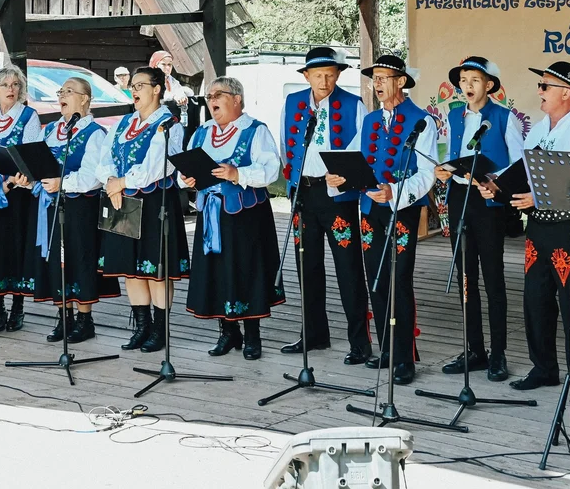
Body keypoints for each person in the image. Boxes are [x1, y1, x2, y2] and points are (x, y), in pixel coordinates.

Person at [327, 55, 436, 386]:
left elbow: (427, 172)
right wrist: (340, 177)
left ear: (401, 81)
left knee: (399, 280)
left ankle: (405, 356)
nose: (377, 83)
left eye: (383, 77)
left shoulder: (422, 121)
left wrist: (396, 194)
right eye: (374, 78)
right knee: (375, 276)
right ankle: (387, 349)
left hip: (401, 210)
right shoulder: (371, 119)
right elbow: (352, 158)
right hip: (369, 209)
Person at [509, 61, 570, 403]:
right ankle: (544, 367)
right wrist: (498, 184)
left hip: (569, 224)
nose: (540, 91)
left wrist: (540, 194)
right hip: (538, 224)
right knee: (535, 298)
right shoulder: (537, 129)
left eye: (546, 86)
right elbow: (525, 169)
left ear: (567, 92)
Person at [278, 47, 371, 365]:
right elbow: (284, 147)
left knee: (348, 269)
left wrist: (344, 178)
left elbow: (362, 152)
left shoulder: (352, 104)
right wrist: (293, 184)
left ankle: (359, 341)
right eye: (318, 74)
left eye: (331, 74)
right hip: (304, 194)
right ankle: (314, 333)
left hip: (338, 199)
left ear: (339, 75)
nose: (325, 79)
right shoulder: (293, 103)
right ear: (306, 76)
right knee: (308, 267)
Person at [182, 77, 283, 360]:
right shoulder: (202, 132)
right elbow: (189, 170)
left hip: (246, 215)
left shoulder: (255, 130)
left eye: (217, 94)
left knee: (246, 270)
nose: (211, 100)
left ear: (237, 99)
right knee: (217, 270)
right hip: (211, 213)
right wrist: (188, 179)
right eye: (208, 96)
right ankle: (228, 332)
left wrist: (238, 174)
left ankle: (252, 335)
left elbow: (271, 171)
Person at [436, 57, 523, 382]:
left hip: (489, 201)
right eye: (463, 80)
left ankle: (498, 353)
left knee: (493, 278)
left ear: (489, 85)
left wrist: (492, 182)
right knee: (466, 277)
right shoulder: (455, 116)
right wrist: (444, 168)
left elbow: (519, 165)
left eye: (474, 80)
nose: (468, 86)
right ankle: (475, 349)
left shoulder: (504, 117)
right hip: (461, 199)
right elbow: (454, 152)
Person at [98, 67, 189, 352]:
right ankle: (142, 326)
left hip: (155, 202)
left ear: (157, 89)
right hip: (122, 200)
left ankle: (160, 330)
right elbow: (105, 158)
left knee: (155, 269)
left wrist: (121, 183)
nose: (134, 90)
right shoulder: (123, 123)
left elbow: (157, 166)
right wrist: (111, 182)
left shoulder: (169, 124)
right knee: (131, 269)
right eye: (133, 86)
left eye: (140, 85)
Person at [26, 77, 120, 343]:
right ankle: (63, 318)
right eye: (61, 91)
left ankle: (84, 319)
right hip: (51, 205)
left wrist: (62, 183)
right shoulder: (50, 131)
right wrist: (29, 178)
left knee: (80, 259)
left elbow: (93, 177)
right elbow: (40, 164)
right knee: (56, 259)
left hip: (81, 206)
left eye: (69, 91)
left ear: (85, 99)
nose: (62, 95)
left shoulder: (95, 133)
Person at [0, 66, 44, 334]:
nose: (11, 89)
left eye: (15, 84)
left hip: (16, 195)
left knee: (16, 248)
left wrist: (12, 180)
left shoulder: (28, 116)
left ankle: (17, 307)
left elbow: (30, 156)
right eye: (5, 85)